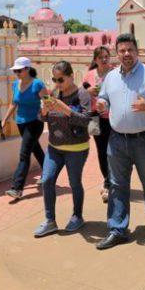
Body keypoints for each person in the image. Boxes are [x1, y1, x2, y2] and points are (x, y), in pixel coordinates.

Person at [95, 33, 145, 250]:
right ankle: (117, 229)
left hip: (144, 139)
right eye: (122, 50)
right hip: (117, 139)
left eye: (130, 50)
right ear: (117, 53)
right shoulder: (111, 76)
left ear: (137, 51)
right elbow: (104, 97)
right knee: (117, 185)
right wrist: (102, 103)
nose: (126, 54)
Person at [34, 61, 91, 237]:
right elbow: (42, 118)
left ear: (71, 76)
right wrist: (44, 111)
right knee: (47, 180)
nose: (57, 83)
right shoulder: (54, 93)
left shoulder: (82, 94)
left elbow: (85, 120)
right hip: (54, 148)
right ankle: (50, 220)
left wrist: (65, 109)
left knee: (74, 183)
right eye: (54, 79)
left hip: (76, 148)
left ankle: (77, 216)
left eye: (60, 79)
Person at [2, 57, 47, 199]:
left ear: (27, 69)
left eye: (19, 70)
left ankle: (17, 188)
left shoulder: (37, 84)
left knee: (24, 154)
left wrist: (44, 113)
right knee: (35, 148)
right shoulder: (15, 84)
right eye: (15, 71)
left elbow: (47, 101)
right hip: (21, 123)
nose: (17, 73)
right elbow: (13, 103)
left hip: (35, 123)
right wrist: (5, 120)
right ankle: (48, 172)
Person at [83, 46, 112, 203]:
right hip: (94, 117)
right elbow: (81, 94)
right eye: (101, 57)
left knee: (112, 150)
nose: (104, 59)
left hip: (111, 117)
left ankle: (111, 182)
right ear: (95, 59)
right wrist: (89, 91)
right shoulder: (89, 75)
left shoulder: (114, 73)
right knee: (101, 150)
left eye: (106, 56)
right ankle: (107, 180)